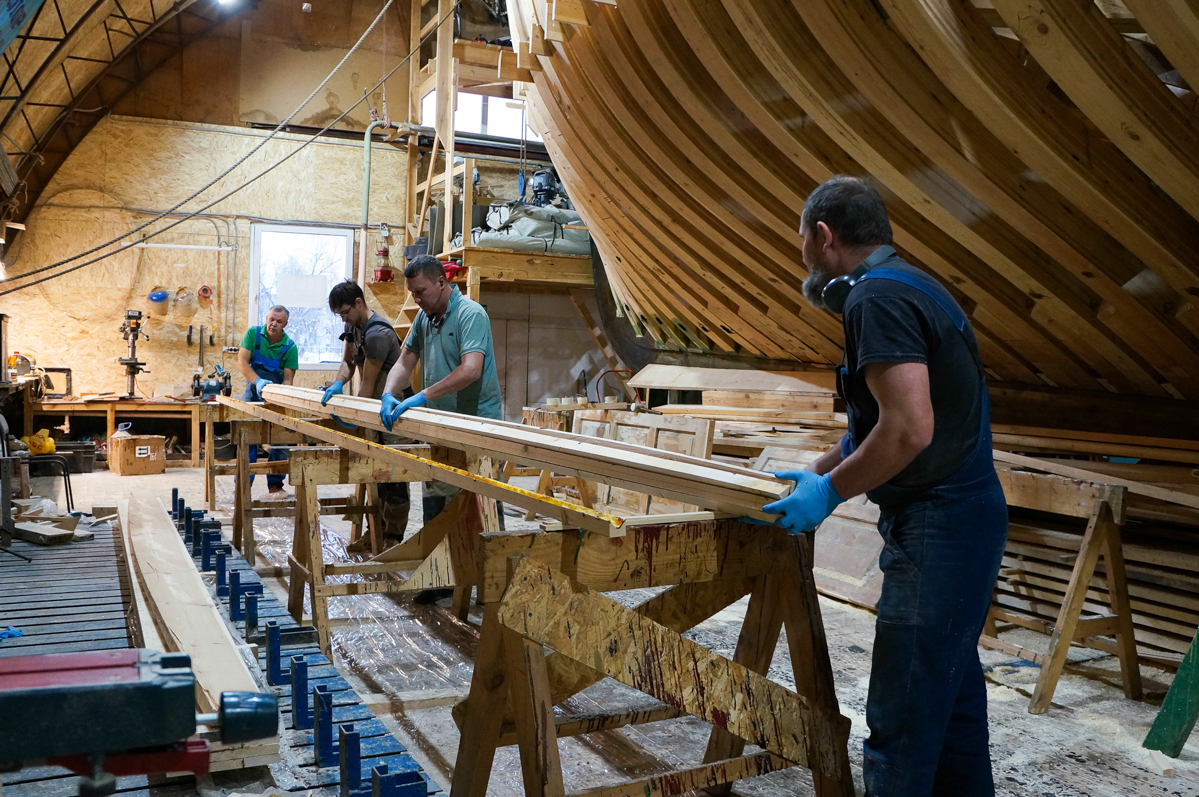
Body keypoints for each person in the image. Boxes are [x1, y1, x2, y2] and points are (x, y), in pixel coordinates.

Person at [762, 176, 1007, 796]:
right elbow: (876, 429)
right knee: (950, 712)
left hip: (940, 524)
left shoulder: (876, 300)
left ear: (823, 236)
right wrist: (815, 474)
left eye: (802, 240)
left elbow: (908, 430)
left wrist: (829, 495)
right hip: (965, 514)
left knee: (902, 722)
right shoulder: (912, 283)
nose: (804, 254)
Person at [379, 254, 504, 602]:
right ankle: (439, 577)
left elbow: (471, 370)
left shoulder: (470, 314)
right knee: (437, 497)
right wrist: (389, 393)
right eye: (412, 292)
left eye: (420, 291)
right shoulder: (424, 317)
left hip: (476, 424)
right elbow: (405, 360)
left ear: (441, 283)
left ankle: (492, 580)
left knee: (482, 502)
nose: (416, 298)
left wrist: (421, 396)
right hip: (442, 424)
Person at [321, 280, 411, 540]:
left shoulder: (378, 334)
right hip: (373, 404)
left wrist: (354, 416)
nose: (343, 319)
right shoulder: (352, 326)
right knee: (375, 471)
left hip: (393, 407)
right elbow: (348, 363)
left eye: (344, 313)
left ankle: (393, 538)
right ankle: (375, 534)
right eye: (339, 315)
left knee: (394, 475)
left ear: (358, 303)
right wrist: (338, 383)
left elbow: (369, 383)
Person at [236, 304, 298, 498]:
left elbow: (288, 380)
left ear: (285, 324)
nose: (274, 324)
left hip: (276, 399)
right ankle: (243, 485)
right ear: (266, 318)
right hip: (253, 395)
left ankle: (275, 486)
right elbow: (242, 362)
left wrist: (279, 398)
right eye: (271, 319)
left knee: (280, 441)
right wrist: (258, 381)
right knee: (248, 439)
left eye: (279, 321)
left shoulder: (290, 347)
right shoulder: (253, 334)